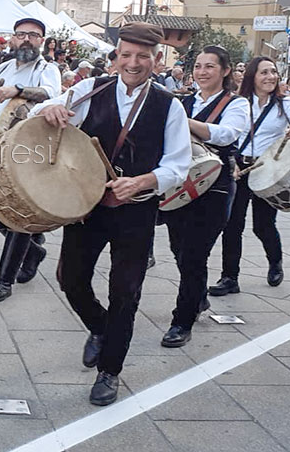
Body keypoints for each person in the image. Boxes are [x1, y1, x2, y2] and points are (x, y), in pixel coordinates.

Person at [30, 22, 192, 406]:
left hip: (136, 211)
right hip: (88, 206)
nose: (133, 63)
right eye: (126, 55)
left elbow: (179, 165)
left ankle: (110, 370)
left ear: (156, 60)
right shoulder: (90, 88)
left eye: (142, 56)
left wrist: (142, 181)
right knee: (71, 280)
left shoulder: (170, 105)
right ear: (115, 56)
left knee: (125, 291)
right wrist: (51, 107)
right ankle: (100, 328)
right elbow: (41, 109)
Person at [0, 18, 60, 303]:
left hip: (32, 150)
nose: (26, 39)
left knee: (18, 214)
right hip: (1, 147)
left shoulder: (48, 69)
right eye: (21, 34)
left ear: (42, 40)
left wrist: (17, 91)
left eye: (33, 35)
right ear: (13, 39)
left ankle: (4, 281)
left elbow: (51, 95)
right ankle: (33, 252)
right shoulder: (2, 69)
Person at [157, 45, 249, 348]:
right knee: (178, 248)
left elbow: (225, 134)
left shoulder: (236, 104)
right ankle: (197, 298)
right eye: (198, 66)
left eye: (210, 66)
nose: (202, 72)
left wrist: (181, 121)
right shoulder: (183, 101)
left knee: (195, 253)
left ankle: (181, 320)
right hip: (178, 183)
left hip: (216, 185)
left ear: (225, 71)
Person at [210, 57, 290, 297]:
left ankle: (275, 262)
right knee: (232, 225)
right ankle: (229, 277)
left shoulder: (285, 102)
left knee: (263, 225)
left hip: (267, 170)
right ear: (253, 76)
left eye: (273, 71)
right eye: (264, 72)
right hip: (238, 168)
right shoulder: (240, 103)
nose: (270, 77)